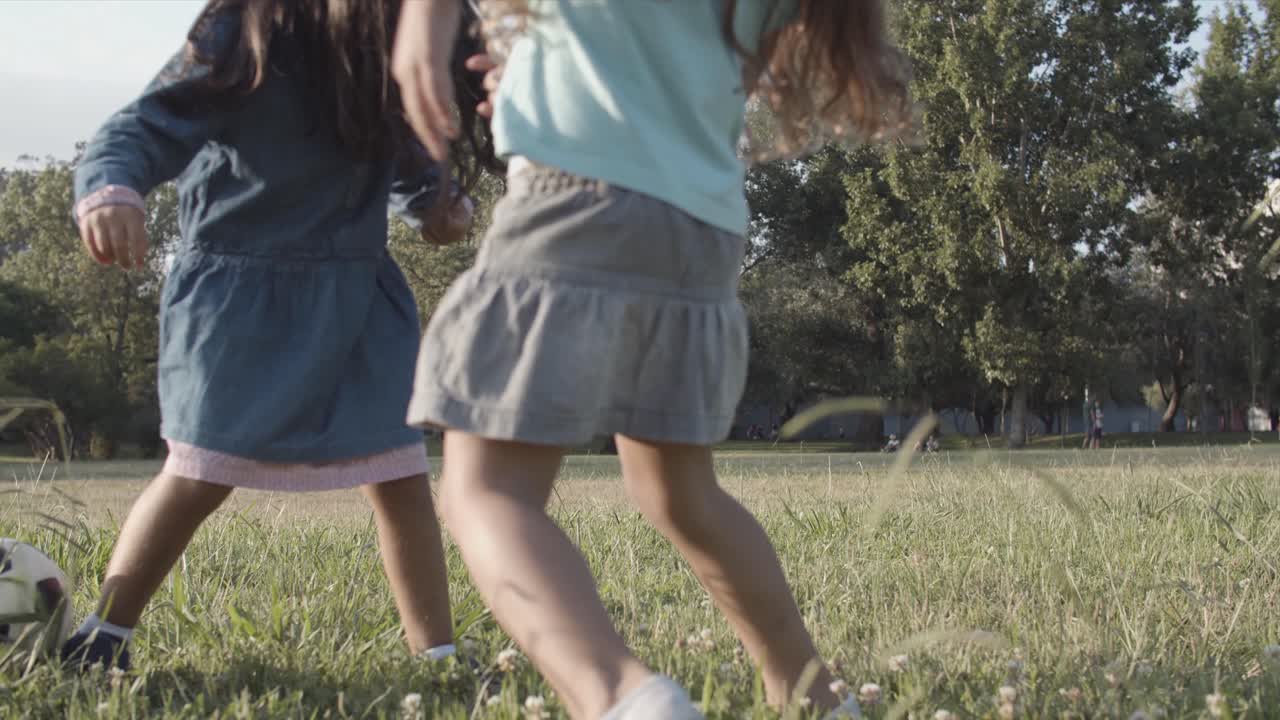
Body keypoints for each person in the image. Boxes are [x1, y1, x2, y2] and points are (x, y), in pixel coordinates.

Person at [392, 2, 913, 716]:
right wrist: (542, 68)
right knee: (682, 494)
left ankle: (622, 697)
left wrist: (424, 27)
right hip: (700, 228)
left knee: (485, 491)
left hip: (576, 198)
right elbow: (687, 69)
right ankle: (816, 699)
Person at [63, 0, 496, 671]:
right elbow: (144, 124)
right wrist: (111, 189)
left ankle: (437, 656)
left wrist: (438, 204)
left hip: (357, 298)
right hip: (238, 297)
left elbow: (408, 154)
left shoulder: (387, 38)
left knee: (400, 475)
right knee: (199, 471)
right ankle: (104, 637)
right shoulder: (245, 28)